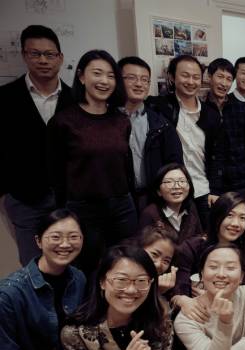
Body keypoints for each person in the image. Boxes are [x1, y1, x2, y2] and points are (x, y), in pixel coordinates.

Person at [47, 49, 138, 274]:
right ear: (81, 76)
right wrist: (62, 212)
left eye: (110, 76)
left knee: (126, 265)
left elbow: (126, 165)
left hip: (122, 206)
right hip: (83, 209)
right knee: (89, 270)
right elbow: (55, 173)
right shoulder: (63, 121)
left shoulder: (121, 120)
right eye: (97, 73)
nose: (104, 81)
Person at [0, 209, 86, 350]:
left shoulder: (78, 278)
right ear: (38, 241)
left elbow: (77, 333)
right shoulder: (9, 293)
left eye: (73, 237)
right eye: (55, 237)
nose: (65, 244)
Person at [0, 25, 73, 266]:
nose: (43, 60)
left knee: (73, 262)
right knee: (34, 264)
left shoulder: (75, 99)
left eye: (49, 54)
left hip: (69, 198)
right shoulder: (5, 98)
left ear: (60, 58)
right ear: (24, 55)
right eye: (35, 54)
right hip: (25, 199)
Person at [146, 54, 218, 227]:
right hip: (173, 191)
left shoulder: (211, 113)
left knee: (206, 236)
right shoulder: (159, 108)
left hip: (203, 189)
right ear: (172, 77)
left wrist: (216, 189)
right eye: (185, 75)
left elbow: (218, 154)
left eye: (196, 77)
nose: (191, 81)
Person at [172, 192, 245, 319]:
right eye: (229, 215)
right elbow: (177, 292)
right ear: (217, 216)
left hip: (233, 312)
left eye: (243, 218)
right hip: (197, 313)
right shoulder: (192, 247)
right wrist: (182, 300)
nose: (236, 223)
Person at [117, 56, 183, 213]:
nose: (139, 84)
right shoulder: (105, 121)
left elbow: (174, 164)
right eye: (131, 78)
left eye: (145, 79)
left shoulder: (161, 123)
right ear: (118, 81)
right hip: (118, 201)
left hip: (152, 199)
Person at [204, 58, 245, 198]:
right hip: (212, 183)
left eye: (229, 79)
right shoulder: (201, 108)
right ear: (209, 76)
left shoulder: (240, 109)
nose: (224, 83)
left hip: (242, 181)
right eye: (220, 77)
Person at [139, 163, 203, 244]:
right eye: (169, 182)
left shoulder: (190, 207)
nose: (177, 186)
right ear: (158, 191)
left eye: (182, 181)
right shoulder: (149, 214)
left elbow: (199, 237)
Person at [134, 224, 179, 296]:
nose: (158, 265)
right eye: (154, 254)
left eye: (166, 261)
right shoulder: (121, 275)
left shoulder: (164, 286)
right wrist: (156, 292)